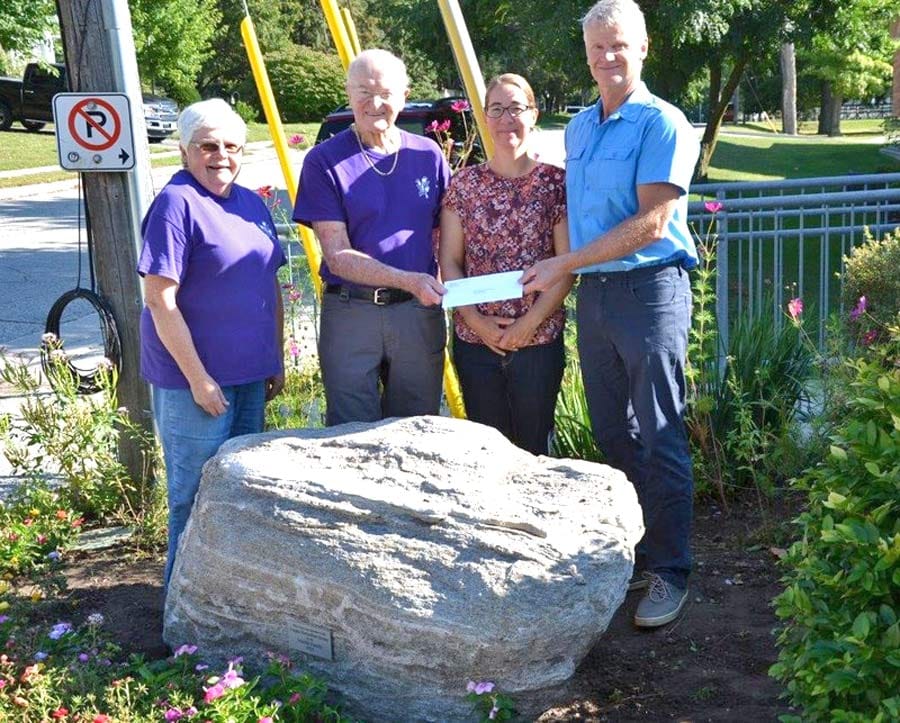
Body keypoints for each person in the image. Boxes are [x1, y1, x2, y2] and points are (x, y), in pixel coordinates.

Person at [522, 0, 700, 628]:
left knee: (660, 431)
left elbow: (651, 223)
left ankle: (671, 570)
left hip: (650, 292)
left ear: (643, 47)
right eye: (597, 47)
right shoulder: (578, 128)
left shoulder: (663, 123)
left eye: (619, 45)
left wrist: (564, 264)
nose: (607, 57)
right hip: (596, 297)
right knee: (612, 431)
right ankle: (637, 555)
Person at [138, 98, 286, 587]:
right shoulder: (176, 204)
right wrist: (199, 379)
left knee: (240, 496)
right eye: (207, 146)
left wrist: (275, 357)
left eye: (231, 146)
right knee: (193, 498)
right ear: (184, 151)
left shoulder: (250, 203)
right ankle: (180, 607)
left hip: (250, 375)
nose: (220, 156)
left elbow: (269, 283)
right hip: (196, 384)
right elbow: (160, 300)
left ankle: (226, 601)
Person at [293, 49, 451, 426]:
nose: (374, 103)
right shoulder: (323, 161)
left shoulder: (428, 154)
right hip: (352, 312)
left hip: (417, 313)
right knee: (350, 433)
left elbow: (448, 237)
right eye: (363, 92)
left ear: (404, 96)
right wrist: (408, 280)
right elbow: (338, 255)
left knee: (416, 428)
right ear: (348, 94)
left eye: (384, 93)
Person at [439, 73, 571, 455]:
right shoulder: (463, 185)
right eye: (496, 109)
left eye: (516, 108)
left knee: (534, 450)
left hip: (538, 341)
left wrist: (529, 324)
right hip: (476, 343)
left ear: (533, 114)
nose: (506, 118)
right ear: (485, 117)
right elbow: (449, 260)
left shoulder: (555, 183)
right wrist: (476, 323)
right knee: (486, 451)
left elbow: (566, 266)